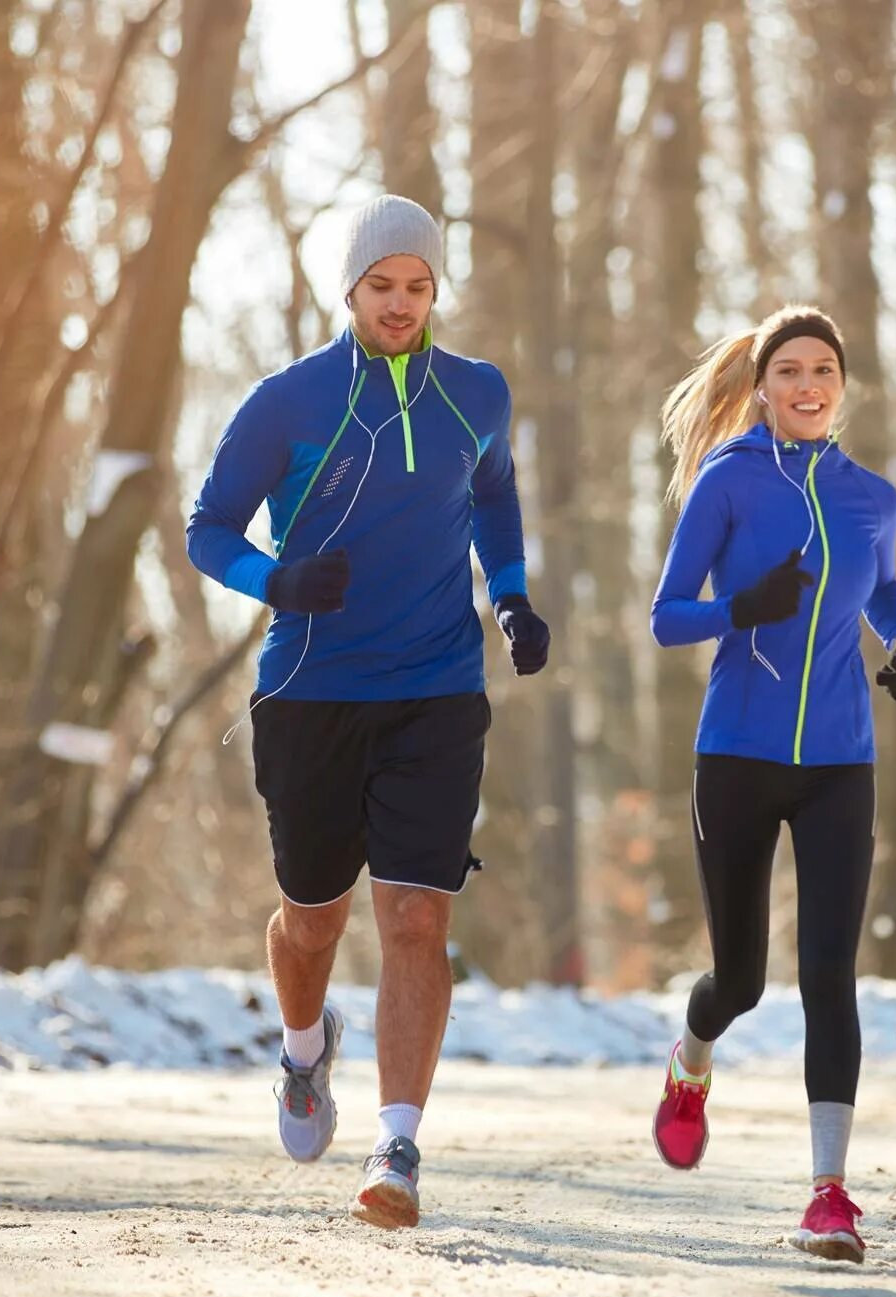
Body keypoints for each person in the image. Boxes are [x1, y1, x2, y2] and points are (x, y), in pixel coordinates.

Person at [186, 194, 550, 1230]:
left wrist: (513, 594)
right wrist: (278, 581)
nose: (401, 304)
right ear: (349, 289)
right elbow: (207, 527)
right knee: (312, 920)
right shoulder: (289, 401)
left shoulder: (477, 391)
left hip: (435, 688)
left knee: (418, 915)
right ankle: (305, 1054)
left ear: (439, 291)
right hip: (310, 692)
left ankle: (398, 1146)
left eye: (419, 287)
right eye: (383, 286)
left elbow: (493, 493)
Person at [647, 305, 896, 1264]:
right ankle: (691, 1062)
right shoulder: (726, 484)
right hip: (737, 754)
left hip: (840, 761)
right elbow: (665, 618)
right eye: (790, 371)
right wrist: (741, 608)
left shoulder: (870, 497)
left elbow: (880, 586)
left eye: (823, 371)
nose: (808, 386)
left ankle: (828, 1194)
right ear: (762, 387)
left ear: (841, 385)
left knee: (828, 978)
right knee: (742, 981)